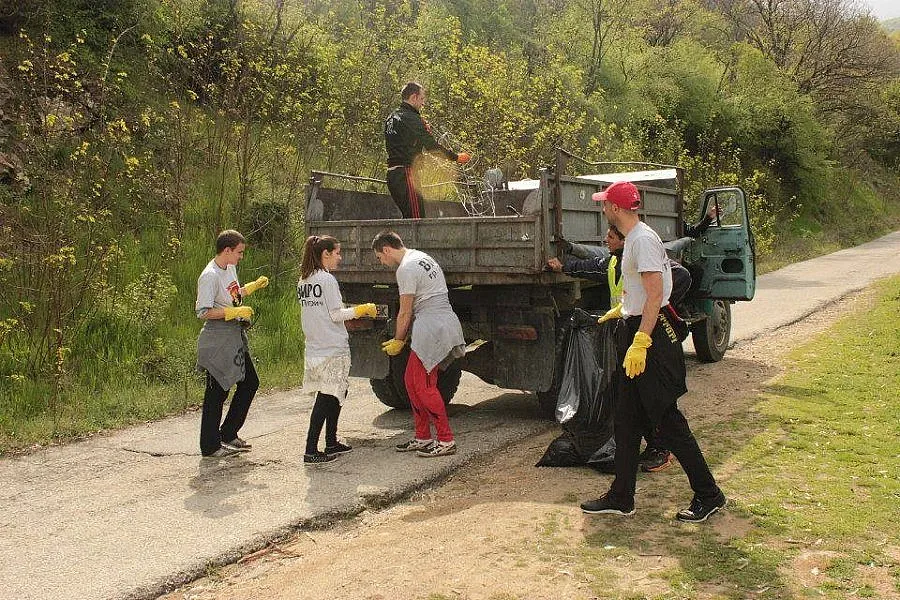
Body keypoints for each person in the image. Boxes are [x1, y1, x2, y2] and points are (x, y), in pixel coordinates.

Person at [580, 181, 726, 522]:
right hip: (639, 328)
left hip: (652, 338)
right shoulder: (636, 238)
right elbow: (641, 292)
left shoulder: (641, 240)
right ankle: (622, 496)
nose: (603, 210)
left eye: (605, 205)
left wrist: (641, 340)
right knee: (627, 420)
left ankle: (709, 494)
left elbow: (656, 293)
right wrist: (625, 309)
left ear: (615, 209)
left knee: (668, 421)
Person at [548, 225, 686, 472]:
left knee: (653, 399)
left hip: (648, 339)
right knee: (631, 398)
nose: (606, 240)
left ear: (623, 241)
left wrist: (655, 307)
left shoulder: (642, 258)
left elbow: (681, 276)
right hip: (626, 336)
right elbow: (590, 266)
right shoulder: (615, 263)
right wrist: (564, 266)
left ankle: (661, 451)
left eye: (611, 237)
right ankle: (632, 466)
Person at [372, 230, 466, 457]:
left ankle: (445, 440)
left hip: (432, 327)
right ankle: (423, 436)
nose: (382, 262)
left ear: (387, 249)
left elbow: (405, 312)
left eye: (379, 257)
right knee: (411, 381)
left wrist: (398, 340)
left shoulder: (405, 268)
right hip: (440, 323)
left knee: (423, 385)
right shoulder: (421, 257)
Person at [297, 235, 378, 464]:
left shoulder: (304, 280)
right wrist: (360, 310)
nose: (340, 258)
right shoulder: (327, 280)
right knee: (327, 396)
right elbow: (335, 314)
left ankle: (331, 442)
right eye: (337, 253)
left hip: (314, 346)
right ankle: (311, 450)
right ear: (326, 254)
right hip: (332, 347)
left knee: (336, 393)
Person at [195, 229, 269, 458]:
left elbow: (234, 295)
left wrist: (252, 287)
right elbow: (203, 311)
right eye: (239, 252)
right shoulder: (210, 276)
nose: (241, 256)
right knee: (217, 392)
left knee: (249, 383)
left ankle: (228, 433)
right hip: (217, 339)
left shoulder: (230, 268)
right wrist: (231, 312)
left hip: (235, 335)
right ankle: (209, 445)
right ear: (226, 250)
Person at [384, 81, 471, 218]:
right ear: (414, 97)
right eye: (422, 98)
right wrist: (455, 157)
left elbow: (403, 144)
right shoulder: (411, 118)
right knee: (416, 221)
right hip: (407, 174)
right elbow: (432, 147)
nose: (423, 103)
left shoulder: (391, 117)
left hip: (393, 175)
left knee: (410, 218)